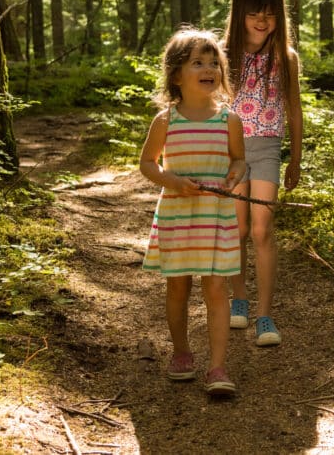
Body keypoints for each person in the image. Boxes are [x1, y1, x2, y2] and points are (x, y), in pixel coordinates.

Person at [140, 27, 247, 395]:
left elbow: (239, 161)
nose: (209, 68)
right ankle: (182, 352)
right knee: (178, 288)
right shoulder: (166, 121)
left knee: (216, 289)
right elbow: (148, 164)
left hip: (215, 216)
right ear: (176, 75)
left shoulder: (229, 120)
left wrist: (235, 174)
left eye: (214, 62)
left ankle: (217, 367)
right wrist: (172, 180)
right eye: (197, 62)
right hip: (178, 216)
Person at [222, 0, 303, 347]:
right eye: (254, 13)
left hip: (268, 148)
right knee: (236, 231)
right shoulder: (223, 57)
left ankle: (265, 315)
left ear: (279, 15)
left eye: (269, 13)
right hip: (231, 153)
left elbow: (295, 110)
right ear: (240, 12)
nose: (261, 20)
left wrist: (296, 158)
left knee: (262, 230)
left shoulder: (284, 58)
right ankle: (239, 299)